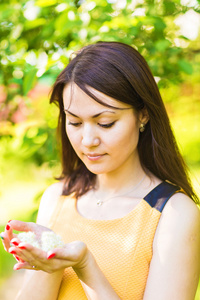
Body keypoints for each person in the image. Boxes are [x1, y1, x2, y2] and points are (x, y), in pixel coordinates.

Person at [1, 41, 200, 300]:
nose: (87, 140)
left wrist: (85, 266)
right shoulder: (58, 197)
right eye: (74, 122)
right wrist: (50, 260)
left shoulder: (173, 213)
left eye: (105, 123)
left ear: (143, 115)